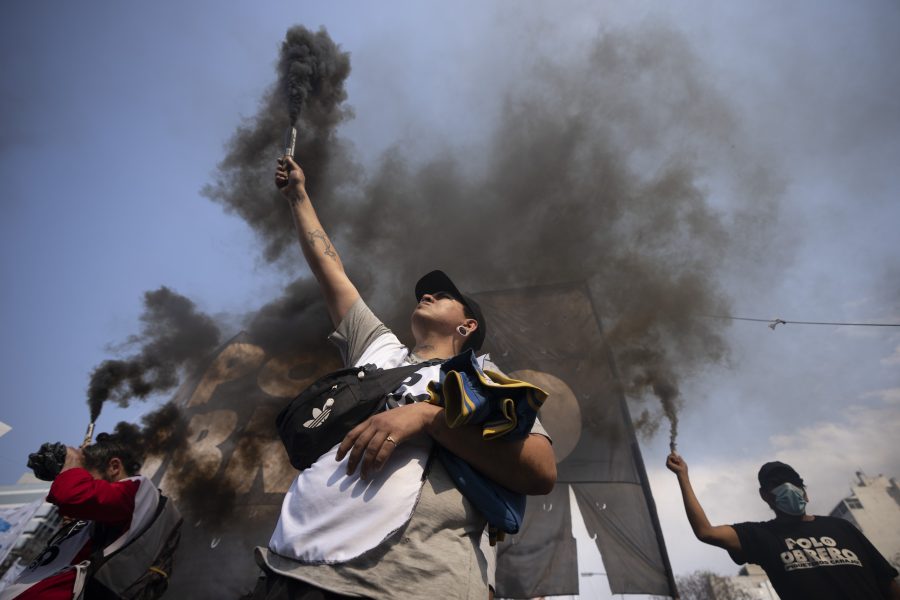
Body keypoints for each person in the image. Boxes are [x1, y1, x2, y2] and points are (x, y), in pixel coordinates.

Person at [250, 156, 557, 599]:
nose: (427, 293)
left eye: (444, 295)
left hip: (400, 582)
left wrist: (428, 419)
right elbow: (330, 269)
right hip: (289, 567)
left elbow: (540, 470)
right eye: (426, 292)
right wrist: (298, 196)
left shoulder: (482, 374)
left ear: (467, 326)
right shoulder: (379, 349)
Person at [666, 453, 900, 599]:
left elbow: (887, 582)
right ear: (765, 495)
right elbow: (706, 532)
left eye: (794, 483)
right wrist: (683, 476)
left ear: (805, 493)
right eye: (777, 484)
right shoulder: (761, 535)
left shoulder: (842, 528)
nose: (788, 488)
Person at [2, 431, 178, 600]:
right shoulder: (96, 519)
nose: (81, 479)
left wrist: (73, 462)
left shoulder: (138, 489)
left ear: (114, 467)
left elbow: (71, 495)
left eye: (85, 476)